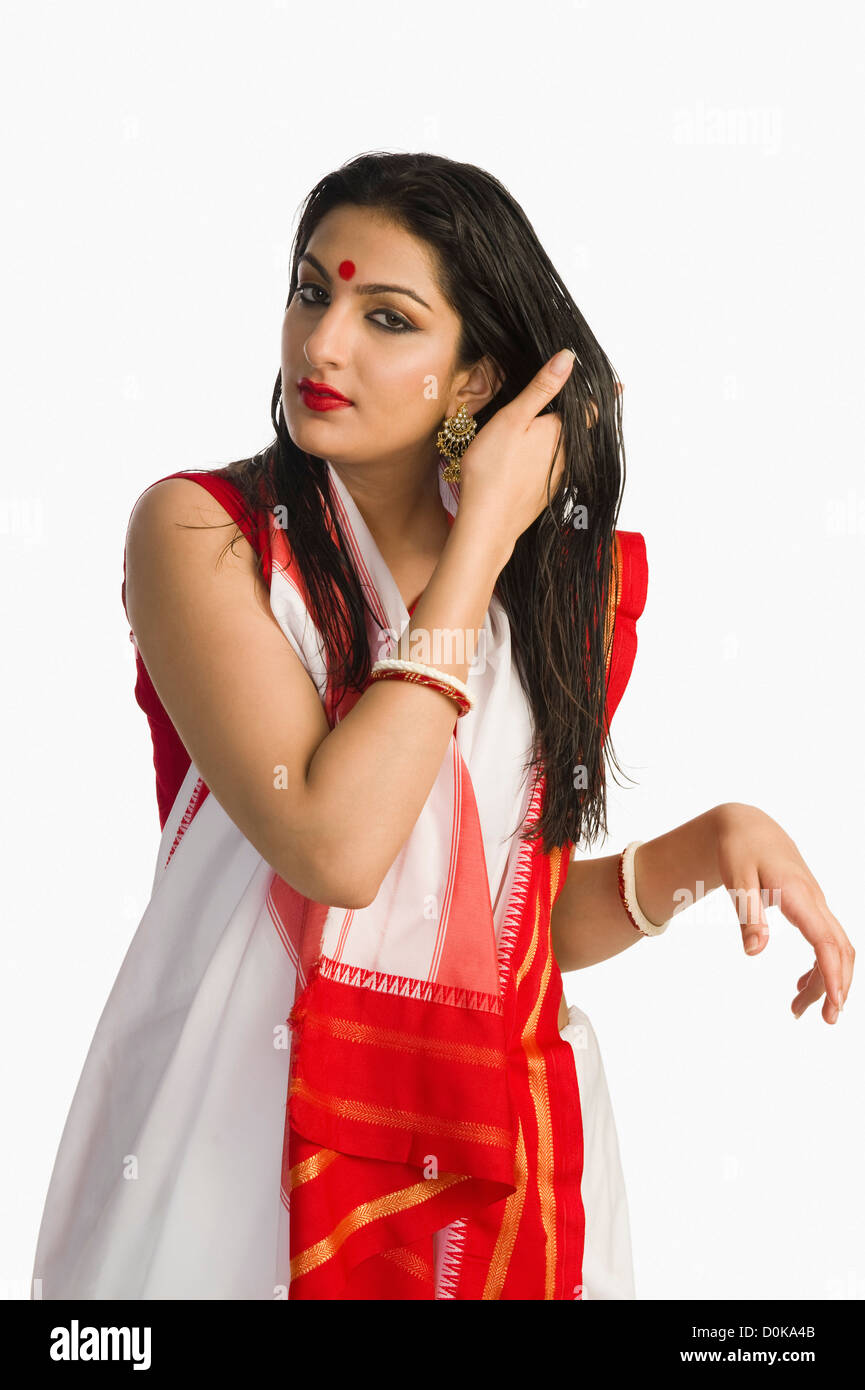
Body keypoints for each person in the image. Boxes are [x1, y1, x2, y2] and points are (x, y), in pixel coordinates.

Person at [31, 152, 853, 1302]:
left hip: (491, 1160)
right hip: (228, 1148)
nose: (322, 345)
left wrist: (696, 853)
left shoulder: (568, 601)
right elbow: (339, 849)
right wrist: (478, 551)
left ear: (473, 382)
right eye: (312, 290)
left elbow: (494, 937)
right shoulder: (206, 540)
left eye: (386, 318)